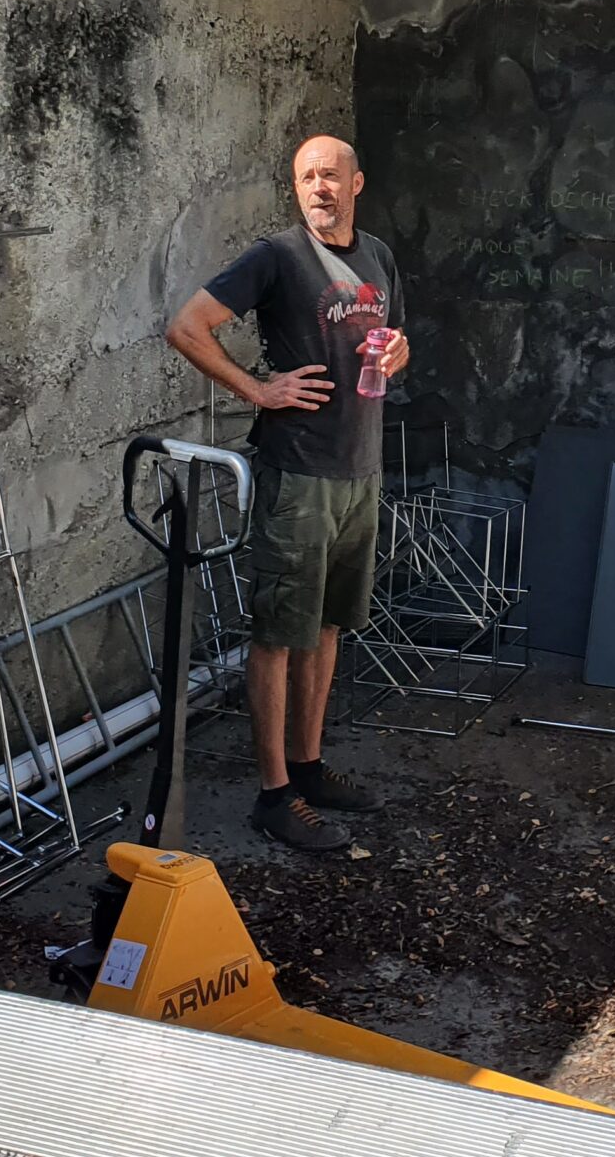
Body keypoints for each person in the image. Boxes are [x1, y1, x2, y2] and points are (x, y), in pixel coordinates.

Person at [166, 136, 407, 855]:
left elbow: (396, 341)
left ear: (356, 182)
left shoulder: (379, 257)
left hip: (359, 470)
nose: (318, 187)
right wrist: (257, 387)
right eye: (306, 177)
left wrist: (398, 352)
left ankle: (308, 768)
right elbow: (187, 326)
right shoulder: (275, 258)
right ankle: (274, 795)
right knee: (277, 637)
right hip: (296, 473)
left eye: (329, 175)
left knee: (327, 628)